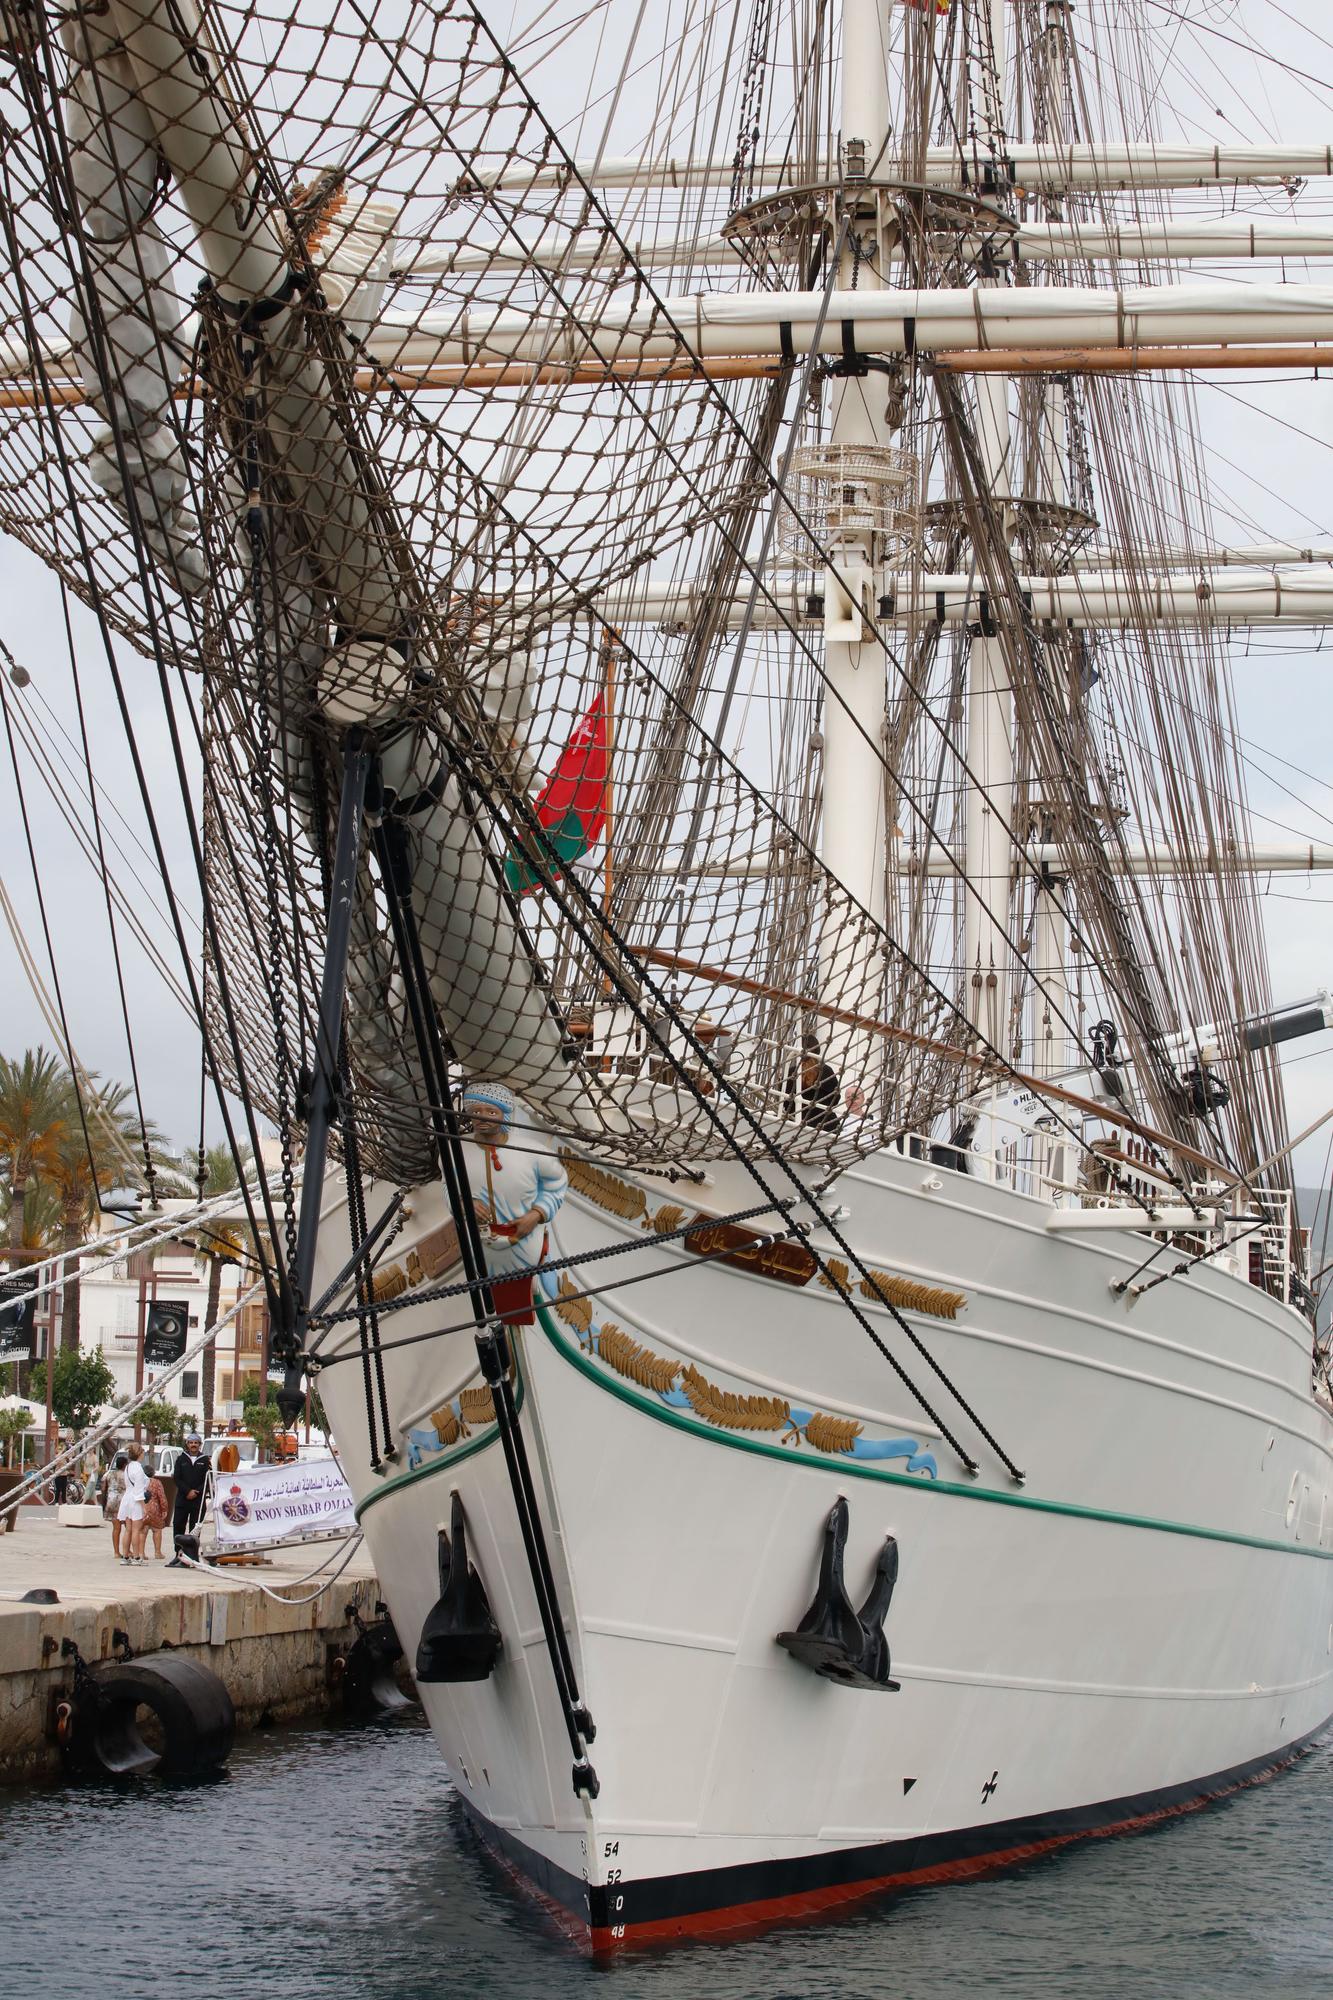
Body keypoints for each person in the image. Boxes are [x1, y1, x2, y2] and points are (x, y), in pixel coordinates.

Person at [461, 1081, 567, 1325]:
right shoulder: (456, 1148)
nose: (483, 1118)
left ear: (504, 1114)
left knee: (519, 1299)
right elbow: (450, 1185)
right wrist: (463, 1202)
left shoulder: (531, 1151)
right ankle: (500, 1331)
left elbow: (557, 1181)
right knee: (487, 1297)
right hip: (479, 1243)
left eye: (491, 1112)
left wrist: (537, 1214)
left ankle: (516, 1327)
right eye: (476, 1112)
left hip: (522, 1240)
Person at [784, 1032, 842, 1132]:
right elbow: (835, 1098)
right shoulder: (826, 1070)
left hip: (794, 1123)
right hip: (825, 1125)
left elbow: (784, 1100)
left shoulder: (791, 1072)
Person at [166, 1434, 210, 1567]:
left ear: (200, 1444)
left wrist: (196, 1491)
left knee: (195, 1528)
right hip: (183, 1499)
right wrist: (187, 1491)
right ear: (187, 1444)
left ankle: (192, 1555)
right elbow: (177, 1478)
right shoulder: (181, 1459)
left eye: (196, 1443)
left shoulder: (205, 1460)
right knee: (178, 1526)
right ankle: (178, 1554)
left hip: (198, 1500)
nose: (193, 1445)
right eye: (191, 1443)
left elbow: (208, 1479)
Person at [116, 1444, 148, 1564]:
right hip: (135, 1500)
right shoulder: (139, 1469)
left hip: (127, 1498)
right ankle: (136, 1557)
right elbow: (139, 1491)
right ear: (139, 1454)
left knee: (128, 1530)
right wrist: (144, 1507)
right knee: (136, 1530)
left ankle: (125, 1556)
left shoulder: (128, 1467)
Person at [103, 1451, 129, 1558]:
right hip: (123, 1502)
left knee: (116, 1528)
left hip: (111, 1501)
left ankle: (116, 1552)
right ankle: (128, 1550)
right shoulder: (126, 1475)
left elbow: (103, 1488)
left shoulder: (108, 1474)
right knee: (128, 1527)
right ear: (124, 1465)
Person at [143, 1466, 169, 1560]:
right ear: (153, 1473)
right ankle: (157, 1552)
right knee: (157, 1530)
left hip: (143, 1507)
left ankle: (141, 1553)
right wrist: (164, 1509)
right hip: (154, 1508)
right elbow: (162, 1497)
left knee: (143, 1530)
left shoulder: (140, 1481)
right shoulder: (157, 1482)